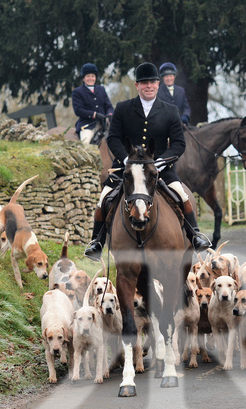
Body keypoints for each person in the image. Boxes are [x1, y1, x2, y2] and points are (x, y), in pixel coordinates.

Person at [84, 62, 211, 261]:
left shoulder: (170, 110)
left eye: (152, 82)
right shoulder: (123, 108)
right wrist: (126, 160)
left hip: (159, 168)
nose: (148, 86)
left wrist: (161, 162)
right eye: (144, 83)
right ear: (137, 86)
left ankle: (195, 235)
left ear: (158, 84)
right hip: (126, 169)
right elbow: (113, 138)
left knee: (182, 195)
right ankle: (97, 242)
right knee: (104, 198)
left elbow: (178, 143)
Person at [72, 63, 114, 144]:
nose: (90, 78)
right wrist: (94, 114)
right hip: (88, 125)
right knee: (86, 144)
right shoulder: (77, 92)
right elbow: (78, 110)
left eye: (92, 76)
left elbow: (109, 106)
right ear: (83, 78)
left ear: (95, 77)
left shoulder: (101, 89)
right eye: (88, 76)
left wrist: (110, 113)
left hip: (104, 124)